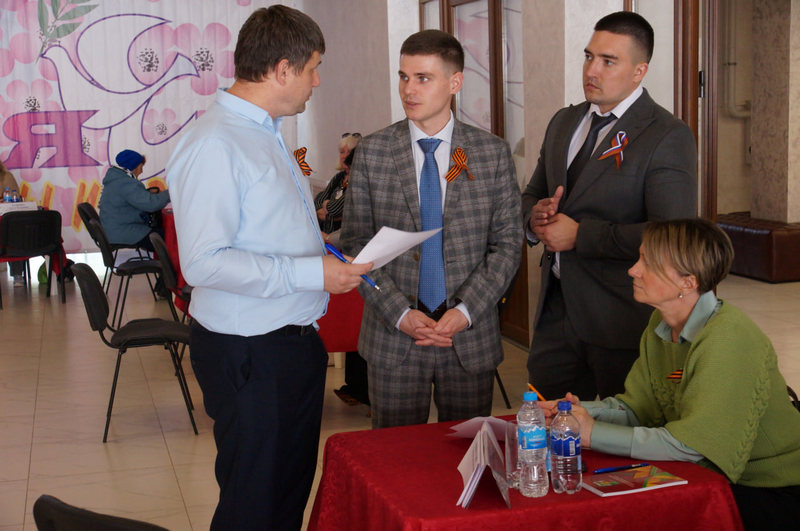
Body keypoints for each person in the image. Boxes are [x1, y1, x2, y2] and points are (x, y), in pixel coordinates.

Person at [165, 6, 371, 530]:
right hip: (252, 350)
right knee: (254, 505)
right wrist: (311, 274)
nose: (316, 82)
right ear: (282, 69)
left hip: (287, 342)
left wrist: (324, 254)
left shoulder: (265, 131)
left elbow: (270, 230)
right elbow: (204, 262)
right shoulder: (217, 141)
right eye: (313, 69)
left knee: (282, 498)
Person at [541, 218, 800, 530]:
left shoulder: (727, 338)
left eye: (647, 262)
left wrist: (592, 433)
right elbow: (637, 407)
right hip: (707, 477)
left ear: (688, 283)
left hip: (770, 489)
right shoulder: (660, 324)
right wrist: (574, 413)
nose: (633, 270)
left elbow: (692, 446)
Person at [341, 30, 522, 428]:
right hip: (394, 336)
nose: (409, 89)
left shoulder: (491, 153)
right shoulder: (373, 152)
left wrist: (465, 310)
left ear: (455, 82)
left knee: (467, 453)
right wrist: (399, 313)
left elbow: (507, 246)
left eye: (423, 78)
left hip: (466, 338)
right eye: (404, 77)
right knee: (396, 457)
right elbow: (356, 244)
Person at [522, 11, 697, 401]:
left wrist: (581, 235)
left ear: (639, 71)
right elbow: (531, 194)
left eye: (608, 61)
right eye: (589, 56)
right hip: (555, 312)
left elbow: (674, 233)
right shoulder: (563, 122)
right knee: (548, 422)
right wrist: (534, 219)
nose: (592, 70)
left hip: (620, 317)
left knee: (618, 430)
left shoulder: (666, 134)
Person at [98, 149, 170, 252]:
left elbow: (130, 199)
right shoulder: (126, 183)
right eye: (141, 166)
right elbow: (151, 204)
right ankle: (170, 262)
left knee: (162, 232)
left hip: (113, 230)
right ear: (134, 166)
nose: (142, 171)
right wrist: (171, 192)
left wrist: (146, 194)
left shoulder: (116, 179)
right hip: (123, 231)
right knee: (170, 237)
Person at [314, 133, 361, 244]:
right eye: (342, 152)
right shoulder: (339, 177)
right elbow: (317, 202)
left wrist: (326, 206)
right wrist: (334, 216)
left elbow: (334, 208)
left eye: (349, 152)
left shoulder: (358, 179)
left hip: (343, 242)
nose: (344, 156)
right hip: (325, 239)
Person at [1, 161, 26, 286]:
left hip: (6, 219)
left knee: (15, 232)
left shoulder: (6, 177)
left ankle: (17, 274)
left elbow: (14, 199)